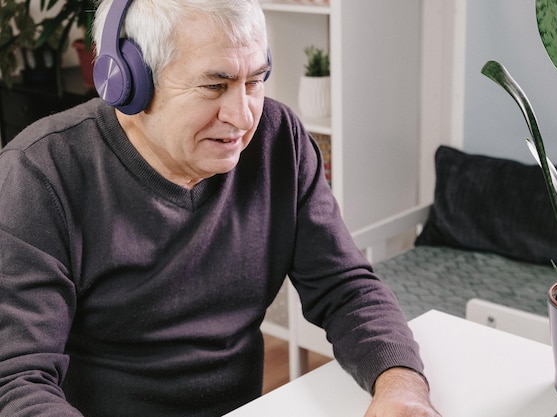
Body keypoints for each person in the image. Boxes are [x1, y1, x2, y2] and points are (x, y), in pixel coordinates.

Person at [0, 0, 440, 416]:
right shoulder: (40, 174)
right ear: (128, 82)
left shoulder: (278, 139)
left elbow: (345, 287)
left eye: (256, 81)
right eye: (216, 85)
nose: (244, 115)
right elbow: (17, 379)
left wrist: (401, 384)